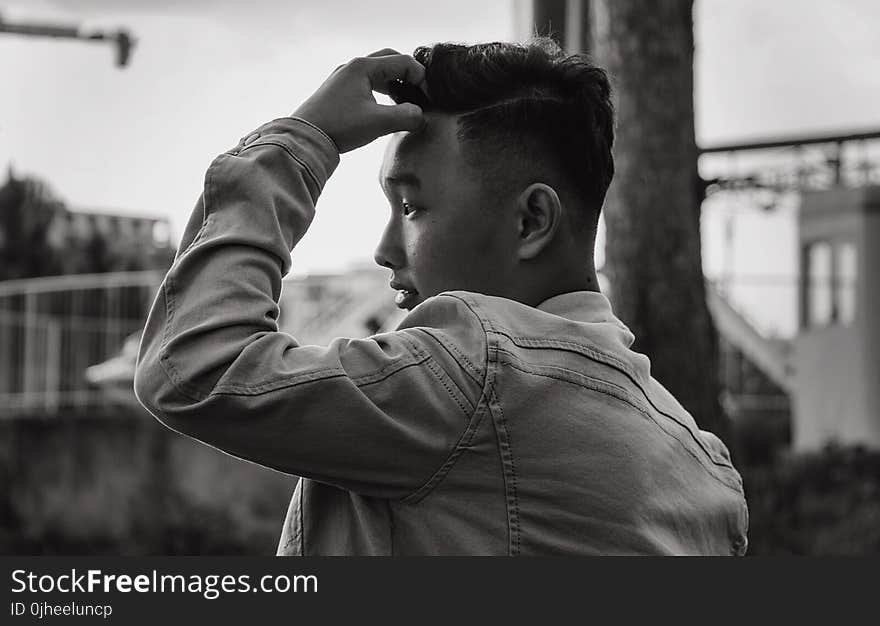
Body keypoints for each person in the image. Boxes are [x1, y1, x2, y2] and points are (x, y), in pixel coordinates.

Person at [134, 39, 749, 556]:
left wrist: (301, 143)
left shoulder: (475, 376)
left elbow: (191, 365)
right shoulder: (704, 468)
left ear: (532, 220)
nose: (383, 249)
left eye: (411, 207)